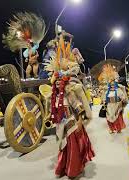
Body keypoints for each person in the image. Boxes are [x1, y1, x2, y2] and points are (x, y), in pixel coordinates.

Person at [44, 35, 95, 178]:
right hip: (61, 122)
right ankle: (63, 167)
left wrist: (80, 120)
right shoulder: (55, 90)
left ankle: (73, 169)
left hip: (72, 121)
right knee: (63, 146)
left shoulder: (70, 87)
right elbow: (52, 105)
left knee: (72, 147)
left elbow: (76, 104)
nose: (58, 82)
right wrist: (50, 115)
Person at [99, 64, 127, 134]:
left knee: (118, 118)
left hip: (117, 105)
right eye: (110, 84)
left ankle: (118, 129)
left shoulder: (118, 89)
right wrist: (103, 101)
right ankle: (111, 129)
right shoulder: (106, 91)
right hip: (109, 106)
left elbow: (123, 97)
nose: (112, 85)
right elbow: (104, 98)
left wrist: (122, 101)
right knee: (109, 118)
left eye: (113, 83)